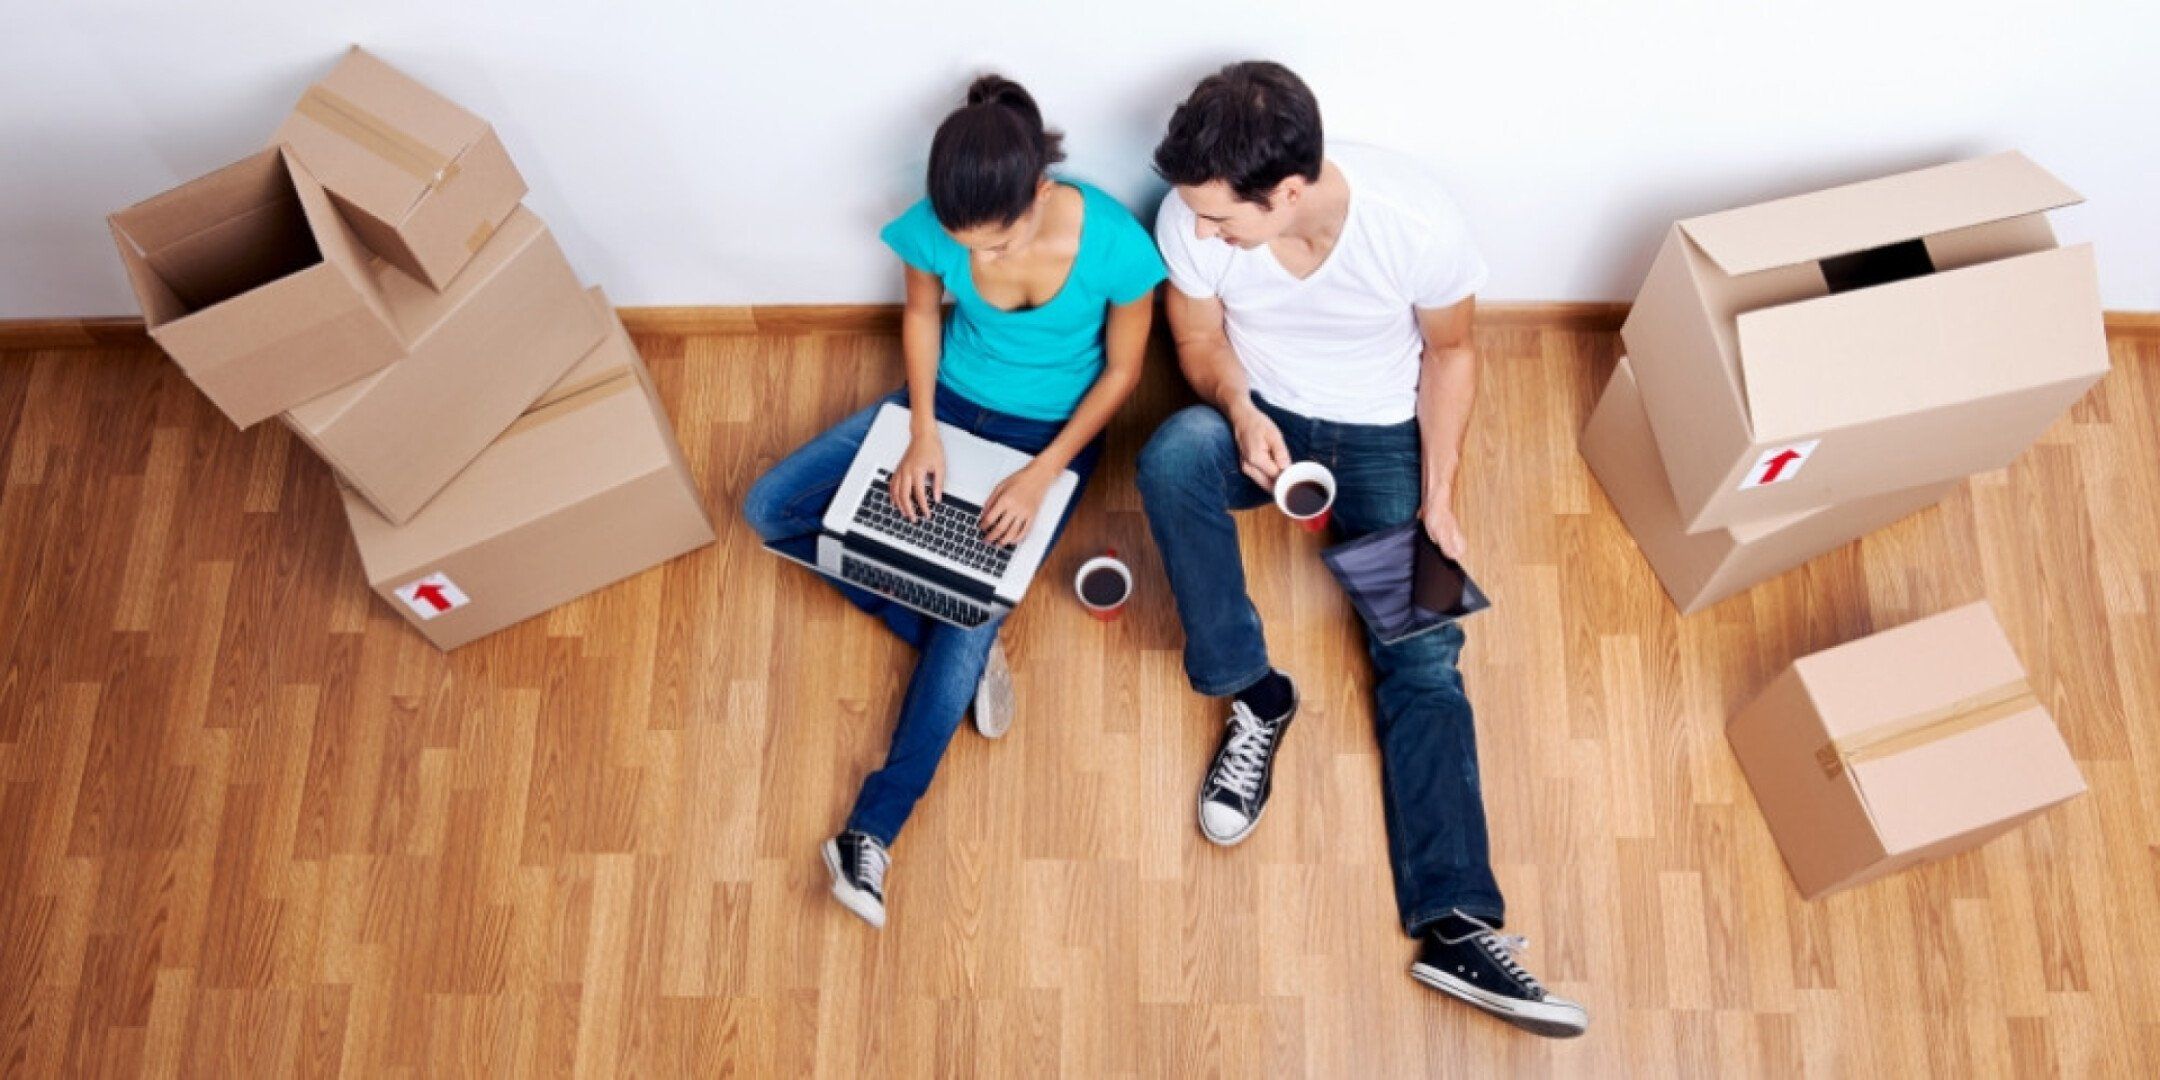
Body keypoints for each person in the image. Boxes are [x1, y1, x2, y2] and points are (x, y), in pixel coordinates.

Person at [1135, 61, 1588, 1037]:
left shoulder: (1415, 223)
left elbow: (1453, 354)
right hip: (1263, 419)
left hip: (1381, 436)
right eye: (1197, 216)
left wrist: (1438, 499)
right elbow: (1200, 339)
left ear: (1289, 192)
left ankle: (1457, 924)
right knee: (1173, 455)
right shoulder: (1191, 215)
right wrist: (1239, 408)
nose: (1199, 234)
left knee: (1424, 656)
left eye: (1219, 219)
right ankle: (1256, 694)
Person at [742, 75, 1165, 929]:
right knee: (771, 509)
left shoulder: (1116, 244)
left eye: (1000, 243)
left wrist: (1043, 473)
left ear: (1039, 192)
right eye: (972, 248)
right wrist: (923, 431)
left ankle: (872, 831)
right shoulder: (933, 227)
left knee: (969, 612)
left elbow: (1124, 372)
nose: (988, 261)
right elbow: (922, 318)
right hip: (944, 407)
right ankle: (955, 642)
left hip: (1049, 440)